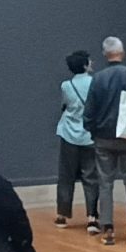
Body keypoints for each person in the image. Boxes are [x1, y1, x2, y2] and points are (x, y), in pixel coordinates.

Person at [81, 37, 126, 247]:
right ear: (122, 52)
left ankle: (108, 230)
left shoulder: (98, 78)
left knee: (105, 183)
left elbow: (89, 110)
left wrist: (92, 130)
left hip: (104, 137)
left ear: (105, 54)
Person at [53, 52, 99, 231]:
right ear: (85, 65)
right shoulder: (95, 83)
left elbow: (64, 105)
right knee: (91, 176)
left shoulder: (66, 85)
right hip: (90, 136)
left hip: (68, 134)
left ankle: (62, 215)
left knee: (66, 175)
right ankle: (92, 217)